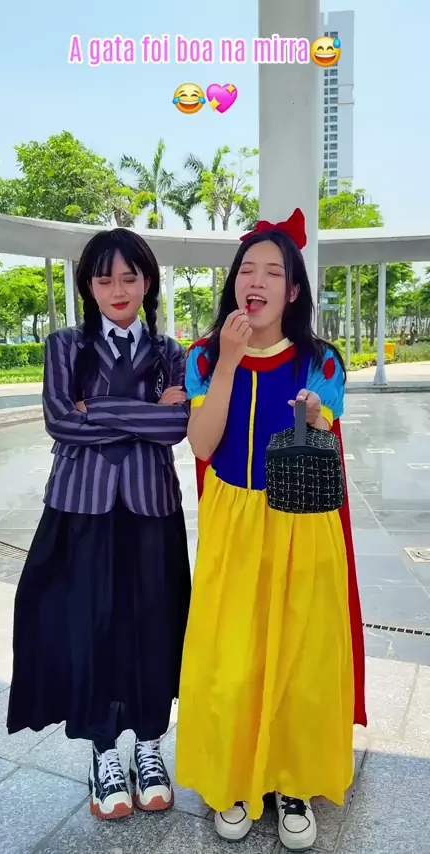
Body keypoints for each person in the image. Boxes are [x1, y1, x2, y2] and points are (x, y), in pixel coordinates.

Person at [175, 210, 366, 850]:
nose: (256, 281)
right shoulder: (205, 356)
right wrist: (228, 362)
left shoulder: (322, 361)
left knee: (298, 658)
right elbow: (203, 445)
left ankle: (292, 783)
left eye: (273, 272)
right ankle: (232, 779)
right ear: (234, 282)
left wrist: (313, 415)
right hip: (234, 519)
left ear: (294, 289)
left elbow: (322, 436)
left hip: (301, 524)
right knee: (232, 658)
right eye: (247, 270)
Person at [7, 229, 191, 821]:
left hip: (150, 507)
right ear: (88, 285)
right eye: (105, 278)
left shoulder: (170, 352)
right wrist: (145, 412)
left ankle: (150, 744)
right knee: (92, 625)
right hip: (80, 508)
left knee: (154, 623)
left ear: (147, 282)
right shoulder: (65, 345)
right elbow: (61, 421)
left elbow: (176, 428)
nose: (118, 290)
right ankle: (104, 752)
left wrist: (100, 410)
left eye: (130, 278)